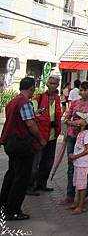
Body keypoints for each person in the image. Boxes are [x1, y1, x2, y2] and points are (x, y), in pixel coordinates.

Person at [0, 77, 46, 221]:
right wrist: (40, 139)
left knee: (12, 174)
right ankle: (13, 210)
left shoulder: (13, 101)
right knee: (21, 179)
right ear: (31, 88)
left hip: (10, 142)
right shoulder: (25, 103)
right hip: (21, 144)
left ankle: (3, 204)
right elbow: (30, 125)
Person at [60, 81, 88, 205]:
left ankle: (83, 197)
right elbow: (66, 118)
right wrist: (72, 123)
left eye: (84, 90)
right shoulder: (74, 103)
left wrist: (87, 122)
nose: (82, 92)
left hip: (86, 138)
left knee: (85, 166)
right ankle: (70, 195)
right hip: (72, 136)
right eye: (81, 90)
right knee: (71, 166)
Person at [29, 74, 63, 194]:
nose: (53, 85)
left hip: (53, 135)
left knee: (48, 161)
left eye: (55, 83)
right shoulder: (39, 97)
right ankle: (31, 186)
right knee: (36, 161)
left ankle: (42, 183)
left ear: (58, 85)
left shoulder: (58, 99)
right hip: (41, 134)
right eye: (51, 83)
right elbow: (32, 113)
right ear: (47, 84)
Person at [68, 112, 88, 214]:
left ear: (86, 122)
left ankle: (80, 205)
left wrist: (75, 156)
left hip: (83, 164)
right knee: (78, 184)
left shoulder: (87, 134)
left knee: (82, 185)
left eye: (80, 119)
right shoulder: (81, 133)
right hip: (78, 163)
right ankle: (77, 202)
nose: (78, 120)